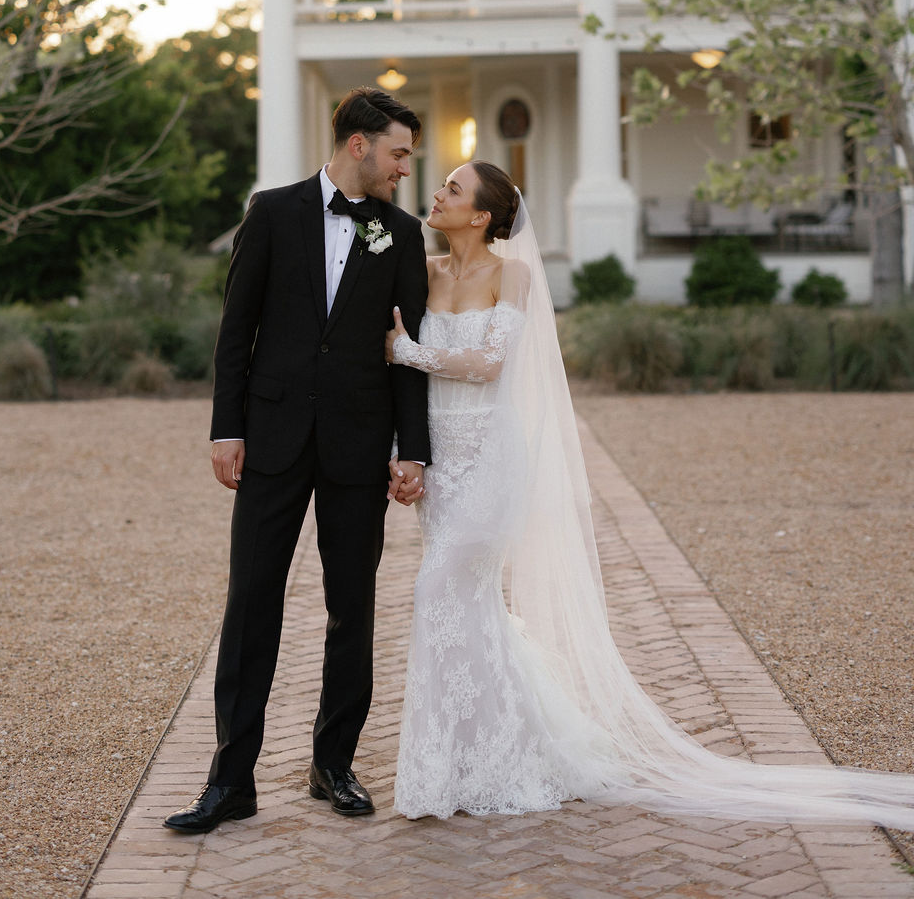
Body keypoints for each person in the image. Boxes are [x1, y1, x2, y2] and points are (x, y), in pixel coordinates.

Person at [386, 160, 914, 827]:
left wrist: (407, 352)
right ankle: (481, 756)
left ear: (483, 214)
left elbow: (489, 364)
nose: (437, 193)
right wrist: (402, 451)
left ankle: (476, 758)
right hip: (441, 463)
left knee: (439, 589)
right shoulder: (426, 273)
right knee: (469, 605)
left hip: (489, 458)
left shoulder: (512, 274)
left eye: (453, 189)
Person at [165, 86, 431, 835]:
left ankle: (332, 763)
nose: (406, 168)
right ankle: (230, 781)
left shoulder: (401, 234)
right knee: (252, 605)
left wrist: (413, 448)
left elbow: (407, 354)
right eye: (399, 152)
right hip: (273, 440)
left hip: (357, 444)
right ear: (359, 144)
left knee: (353, 609)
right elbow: (235, 329)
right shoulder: (273, 211)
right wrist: (226, 428)